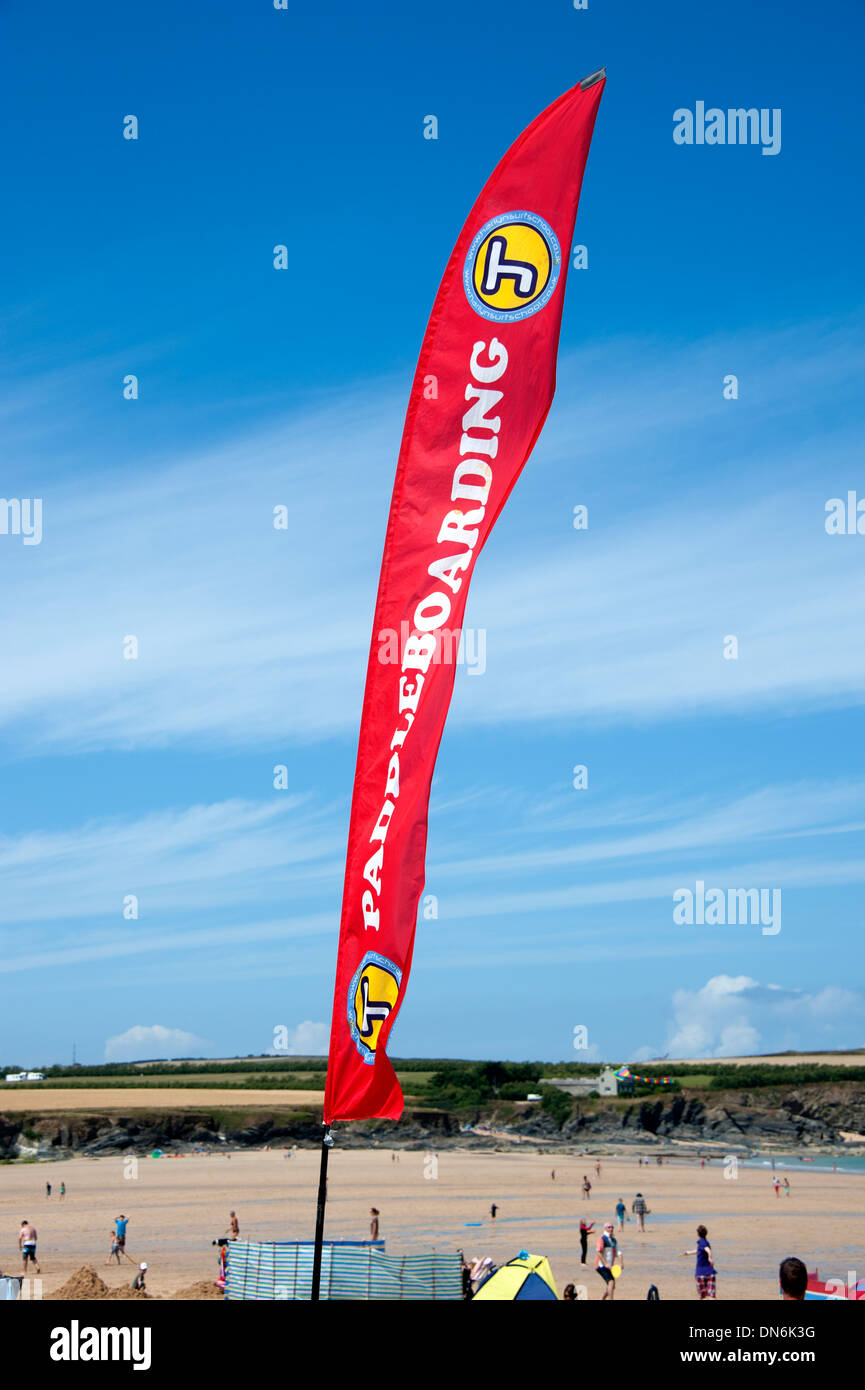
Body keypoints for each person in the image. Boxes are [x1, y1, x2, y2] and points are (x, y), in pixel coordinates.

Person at [682, 1224, 716, 1299]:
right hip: (710, 1272)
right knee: (711, 1295)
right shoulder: (705, 1242)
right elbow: (700, 1250)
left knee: (703, 1296)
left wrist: (710, 1257)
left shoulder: (702, 1242)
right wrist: (688, 1253)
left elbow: (707, 1249)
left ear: (698, 1234)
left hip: (701, 1273)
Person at [595, 1222, 622, 1301]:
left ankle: (602, 1298)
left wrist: (621, 1263)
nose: (611, 1229)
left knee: (612, 1286)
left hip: (610, 1266)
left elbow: (619, 1252)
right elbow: (598, 1252)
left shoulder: (613, 1240)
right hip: (601, 1266)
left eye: (612, 1227)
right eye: (609, 1227)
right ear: (605, 1228)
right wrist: (605, 1263)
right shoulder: (602, 1238)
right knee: (611, 1282)